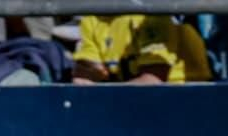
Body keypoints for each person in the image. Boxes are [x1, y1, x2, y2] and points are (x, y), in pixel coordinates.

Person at [72, 14, 210, 84]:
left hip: (183, 97)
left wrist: (104, 93)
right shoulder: (92, 18)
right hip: (131, 101)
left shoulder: (152, 13)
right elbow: (84, 76)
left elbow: (153, 80)